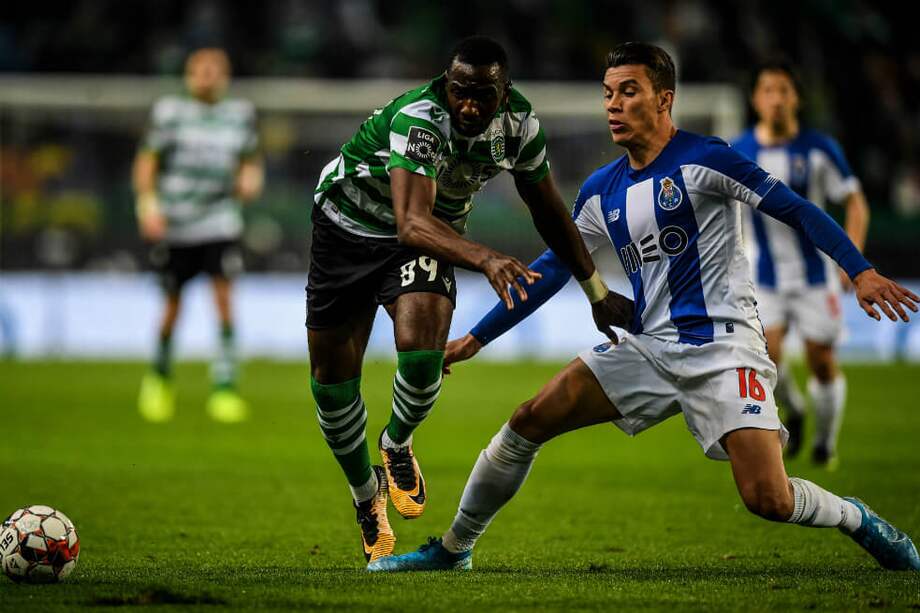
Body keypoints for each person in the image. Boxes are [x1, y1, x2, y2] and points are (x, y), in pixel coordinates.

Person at [367, 43, 920, 573]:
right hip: (647, 347)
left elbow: (796, 209)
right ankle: (455, 547)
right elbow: (555, 267)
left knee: (768, 499)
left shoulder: (707, 159)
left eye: (628, 91)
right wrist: (475, 339)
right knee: (527, 421)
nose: (613, 104)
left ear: (664, 99)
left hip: (724, 349)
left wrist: (860, 269)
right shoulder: (600, 189)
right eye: (607, 93)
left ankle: (856, 516)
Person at [307, 35, 625, 563]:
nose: (469, 105)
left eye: (483, 94)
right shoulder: (421, 118)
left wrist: (595, 290)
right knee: (333, 386)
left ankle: (396, 443)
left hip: (431, 232)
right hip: (347, 231)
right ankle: (366, 497)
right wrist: (486, 258)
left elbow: (548, 210)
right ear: (446, 85)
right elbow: (410, 221)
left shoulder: (520, 127)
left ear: (505, 93)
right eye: (460, 92)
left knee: (423, 350)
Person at [732, 60, 871, 468]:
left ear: (796, 98)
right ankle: (793, 408)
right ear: (757, 100)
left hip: (815, 276)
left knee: (821, 360)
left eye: (784, 91)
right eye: (768, 91)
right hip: (764, 276)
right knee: (766, 356)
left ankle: (825, 444)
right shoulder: (739, 151)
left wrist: (852, 258)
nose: (776, 99)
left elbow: (855, 202)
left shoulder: (819, 148)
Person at [134, 48, 264, 424]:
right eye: (200, 70)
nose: (207, 76)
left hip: (220, 221)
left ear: (225, 76)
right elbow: (147, 161)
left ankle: (225, 386)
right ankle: (159, 377)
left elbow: (251, 160)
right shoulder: (169, 112)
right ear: (189, 75)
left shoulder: (239, 115)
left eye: (214, 70)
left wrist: (252, 178)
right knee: (172, 303)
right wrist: (148, 206)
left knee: (224, 298)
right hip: (176, 222)